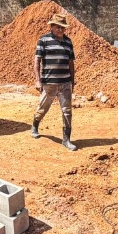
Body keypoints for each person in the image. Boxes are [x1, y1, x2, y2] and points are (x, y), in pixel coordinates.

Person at [32, 13, 78, 151]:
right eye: (57, 27)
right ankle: (35, 125)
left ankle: (66, 140)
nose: (60, 30)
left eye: (62, 28)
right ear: (51, 27)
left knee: (67, 111)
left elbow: (71, 63)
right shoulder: (43, 41)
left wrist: (72, 81)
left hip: (65, 83)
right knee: (43, 107)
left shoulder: (68, 42)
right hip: (49, 83)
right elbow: (37, 61)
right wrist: (37, 80)